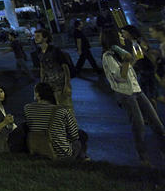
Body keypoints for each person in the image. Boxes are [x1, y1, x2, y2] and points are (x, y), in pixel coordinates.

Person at [101, 28, 165, 166]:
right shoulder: (108, 56)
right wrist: (126, 61)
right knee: (139, 125)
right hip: (126, 94)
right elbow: (121, 77)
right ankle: (143, 157)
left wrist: (135, 59)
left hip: (137, 90)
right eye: (119, 35)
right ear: (113, 38)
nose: (122, 37)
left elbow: (131, 71)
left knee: (157, 123)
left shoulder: (122, 52)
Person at [23, 82, 88, 161]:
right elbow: (74, 135)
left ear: (37, 94)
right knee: (81, 135)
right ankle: (82, 158)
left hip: (37, 150)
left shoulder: (28, 108)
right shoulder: (61, 110)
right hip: (61, 154)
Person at [35, 29, 73, 112]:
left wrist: (67, 85)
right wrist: (41, 84)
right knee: (55, 110)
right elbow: (42, 69)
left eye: (38, 36)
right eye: (35, 36)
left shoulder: (55, 50)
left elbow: (65, 67)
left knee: (66, 109)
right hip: (49, 86)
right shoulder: (39, 52)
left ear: (45, 38)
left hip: (60, 85)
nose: (35, 38)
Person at [120, 25, 157, 107]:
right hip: (148, 68)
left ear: (129, 33)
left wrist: (129, 68)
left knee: (142, 92)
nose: (123, 35)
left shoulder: (136, 42)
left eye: (124, 33)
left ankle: (149, 113)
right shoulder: (138, 41)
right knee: (149, 92)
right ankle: (151, 111)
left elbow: (138, 58)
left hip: (145, 69)